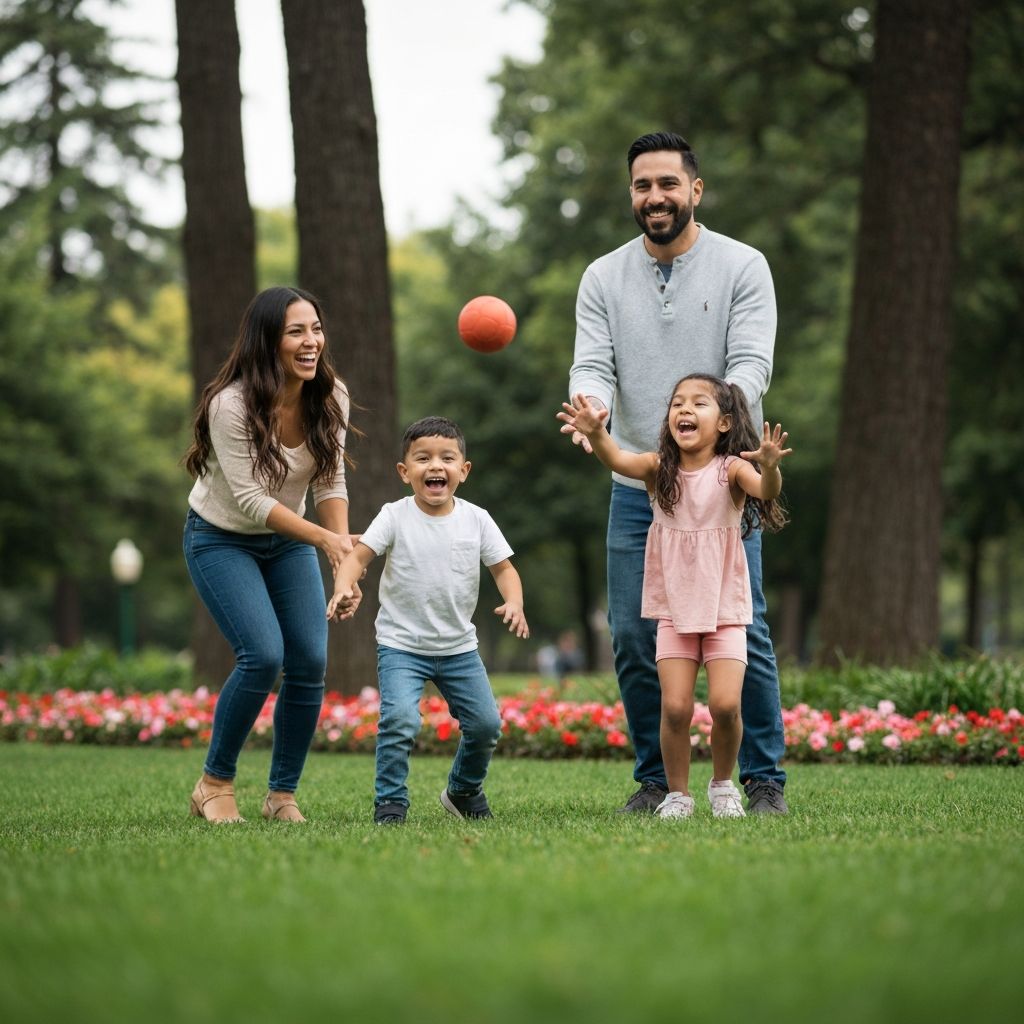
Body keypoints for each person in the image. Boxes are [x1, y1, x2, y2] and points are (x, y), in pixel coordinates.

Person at [564, 130, 790, 814]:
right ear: (630, 194)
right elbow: (591, 363)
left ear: (695, 189)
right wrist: (594, 413)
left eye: (667, 183)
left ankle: (761, 778)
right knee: (635, 636)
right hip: (639, 487)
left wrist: (711, 440)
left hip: (720, 485)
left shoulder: (742, 266)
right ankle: (658, 780)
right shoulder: (603, 276)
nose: (654, 196)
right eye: (642, 185)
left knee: (743, 629)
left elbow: (752, 365)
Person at [559, 376, 790, 817]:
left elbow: (767, 491)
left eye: (698, 403)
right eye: (677, 403)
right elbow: (617, 459)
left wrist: (771, 466)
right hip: (673, 611)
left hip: (724, 609)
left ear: (724, 422)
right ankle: (677, 794)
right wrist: (596, 432)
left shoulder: (733, 470)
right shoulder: (657, 469)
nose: (684, 410)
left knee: (724, 705)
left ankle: (723, 786)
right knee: (676, 707)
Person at [183, 286, 357, 824]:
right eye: (296, 332)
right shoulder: (230, 404)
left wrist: (343, 559)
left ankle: (281, 795)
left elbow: (330, 480)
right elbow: (252, 501)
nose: (312, 342)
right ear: (267, 340)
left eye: (317, 329)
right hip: (221, 537)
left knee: (308, 661)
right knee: (262, 655)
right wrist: (323, 541)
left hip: (289, 541)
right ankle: (213, 784)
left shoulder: (330, 396)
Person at [328, 416, 529, 825]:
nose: (435, 466)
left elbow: (504, 569)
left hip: (458, 648)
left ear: (463, 471)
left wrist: (514, 603)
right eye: (423, 458)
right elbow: (357, 557)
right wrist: (343, 587)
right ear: (405, 472)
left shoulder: (477, 519)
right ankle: (391, 803)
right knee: (400, 719)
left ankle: (463, 790)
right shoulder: (394, 516)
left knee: (487, 724)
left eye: (446, 458)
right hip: (402, 645)